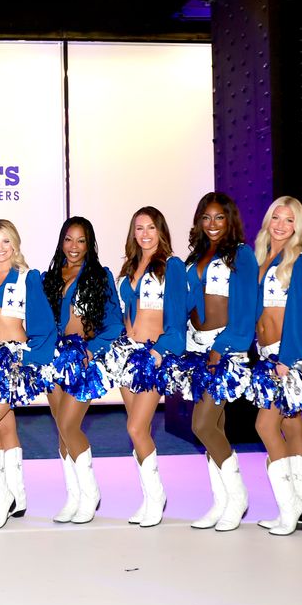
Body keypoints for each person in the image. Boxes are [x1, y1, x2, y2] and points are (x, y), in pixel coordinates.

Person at [104, 207, 188, 528]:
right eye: (139, 228)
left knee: (136, 428)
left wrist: (162, 351)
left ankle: (157, 496)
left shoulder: (173, 267)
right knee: (137, 428)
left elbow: (177, 317)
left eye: (151, 227)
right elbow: (122, 315)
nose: (145, 234)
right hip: (128, 355)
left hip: (154, 355)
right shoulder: (127, 269)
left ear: (161, 230)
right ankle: (148, 497)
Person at [0, 220, 56, 530]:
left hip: (14, 359)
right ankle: (18, 496)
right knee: (4, 425)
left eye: (6, 241)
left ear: (15, 244)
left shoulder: (27, 278)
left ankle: (1, 501)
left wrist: (31, 358)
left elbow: (44, 325)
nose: (0, 247)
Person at [181, 192, 257, 531]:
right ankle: (221, 501)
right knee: (214, 427)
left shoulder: (241, 255)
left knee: (202, 426)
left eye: (219, 218)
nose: (212, 224)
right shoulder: (195, 256)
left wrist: (223, 347)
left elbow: (246, 308)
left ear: (230, 221)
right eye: (206, 218)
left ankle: (237, 496)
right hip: (196, 349)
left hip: (225, 347)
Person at [246, 197, 302, 536]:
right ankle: (300, 509)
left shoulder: (301, 262)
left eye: (289, 220)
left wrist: (288, 359)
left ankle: (289, 508)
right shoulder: (258, 258)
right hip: (266, 357)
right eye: (276, 216)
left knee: (265, 425)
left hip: (287, 358)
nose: (280, 224)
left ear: (297, 227)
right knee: (292, 427)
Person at [42, 217, 121, 524]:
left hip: (83, 358)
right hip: (54, 359)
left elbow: (114, 323)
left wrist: (91, 349)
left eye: (81, 241)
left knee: (69, 424)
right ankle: (73, 496)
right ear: (61, 242)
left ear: (90, 245)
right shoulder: (48, 278)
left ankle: (90, 493)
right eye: (68, 240)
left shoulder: (100, 277)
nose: (74, 247)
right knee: (61, 430)